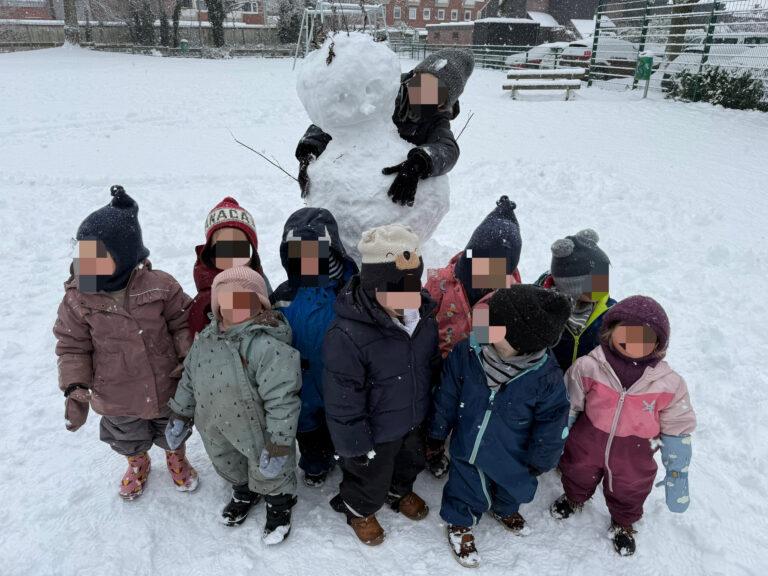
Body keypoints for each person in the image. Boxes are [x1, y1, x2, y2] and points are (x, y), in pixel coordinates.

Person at [53, 186, 197, 500]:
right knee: (125, 434)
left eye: (96, 256)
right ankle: (137, 462)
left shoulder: (159, 285)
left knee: (172, 426)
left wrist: (188, 359)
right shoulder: (78, 297)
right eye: (83, 254)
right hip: (114, 390)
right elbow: (72, 345)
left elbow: (182, 323)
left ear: (122, 255)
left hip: (164, 381)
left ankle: (176, 456)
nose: (85, 263)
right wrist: (74, 386)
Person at [429, 285, 571, 568]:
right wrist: (438, 431)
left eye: (496, 324)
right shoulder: (469, 350)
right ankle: (460, 521)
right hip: (470, 441)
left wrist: (541, 459)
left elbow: (553, 421)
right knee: (465, 485)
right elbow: (447, 392)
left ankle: (504, 509)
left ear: (521, 341)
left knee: (513, 487)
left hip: (513, 450)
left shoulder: (545, 376)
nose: (485, 325)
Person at [551, 295, 697, 556]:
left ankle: (623, 521)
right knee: (576, 471)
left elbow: (677, 428)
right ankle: (574, 498)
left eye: (645, 337)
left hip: (635, 453)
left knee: (631, 488)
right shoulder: (589, 366)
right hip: (587, 441)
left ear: (659, 343)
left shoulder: (668, 383)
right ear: (610, 330)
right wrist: (556, 439)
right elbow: (570, 404)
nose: (634, 342)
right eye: (627, 332)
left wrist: (677, 472)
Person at [323, 224, 440, 546]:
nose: (404, 297)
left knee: (409, 463)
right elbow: (342, 398)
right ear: (373, 287)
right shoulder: (348, 334)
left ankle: (399, 490)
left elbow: (430, 365)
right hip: (373, 431)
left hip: (412, 420)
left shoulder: (424, 319)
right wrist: (354, 445)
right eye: (394, 288)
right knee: (367, 477)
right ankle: (358, 508)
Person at [168, 266, 301, 545]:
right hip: (215, 426)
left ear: (259, 304)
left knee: (269, 469)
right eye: (229, 300)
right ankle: (243, 490)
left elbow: (282, 400)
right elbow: (190, 378)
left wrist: (278, 443)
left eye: (245, 300)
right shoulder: (204, 340)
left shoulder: (267, 346)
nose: (236, 307)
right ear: (217, 305)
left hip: (259, 430)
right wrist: (180, 414)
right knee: (228, 461)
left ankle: (278, 504)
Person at [423, 195, 522, 478]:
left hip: (480, 366)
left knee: (469, 409)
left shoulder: (511, 292)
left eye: (495, 268)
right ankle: (433, 443)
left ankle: (466, 446)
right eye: (478, 262)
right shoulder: (441, 281)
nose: (484, 272)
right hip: (441, 360)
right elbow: (422, 315)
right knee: (438, 406)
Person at [296, 49, 475, 206]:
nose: (422, 92)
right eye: (421, 82)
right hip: (351, 178)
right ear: (416, 74)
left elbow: (447, 148)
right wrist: (309, 150)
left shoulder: (436, 119)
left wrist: (420, 163)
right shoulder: (386, 89)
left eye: (434, 91)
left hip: (388, 198)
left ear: (444, 102)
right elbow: (338, 118)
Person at [270, 207, 358, 487]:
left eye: (315, 251)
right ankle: (315, 463)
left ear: (331, 251)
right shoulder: (285, 296)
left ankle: (348, 459)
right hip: (302, 381)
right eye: (299, 252)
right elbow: (271, 336)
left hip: (340, 379)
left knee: (343, 422)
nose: (307, 259)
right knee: (308, 428)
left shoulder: (348, 293)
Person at [535, 229, 616, 372]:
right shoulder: (539, 308)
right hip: (547, 385)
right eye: (595, 284)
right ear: (571, 287)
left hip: (586, 386)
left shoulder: (611, 312)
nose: (603, 288)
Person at [189, 196, 271, 335]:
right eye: (223, 249)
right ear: (210, 253)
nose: (232, 256)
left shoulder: (259, 282)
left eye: (240, 248)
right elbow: (196, 337)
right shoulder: (206, 296)